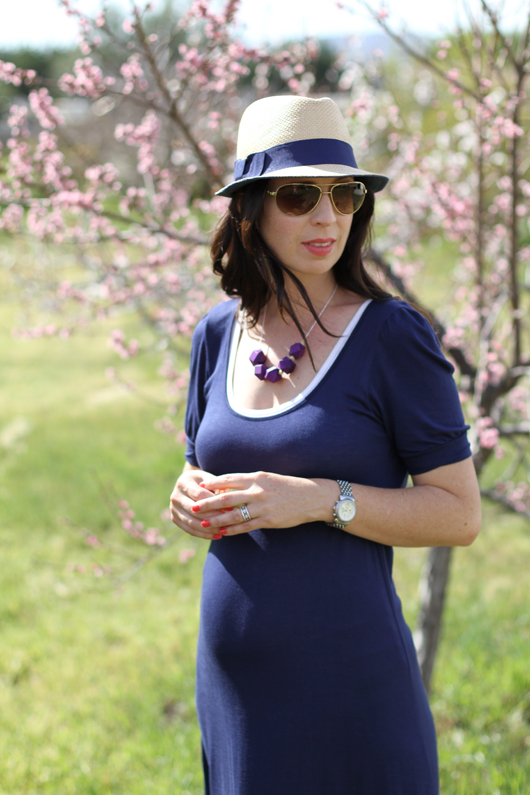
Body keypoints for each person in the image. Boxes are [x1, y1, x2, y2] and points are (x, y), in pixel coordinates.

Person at [170, 95, 481, 795]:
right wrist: (184, 493)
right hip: (237, 689)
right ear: (250, 210)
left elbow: (459, 514)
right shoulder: (217, 332)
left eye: (344, 195)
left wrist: (317, 499)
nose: (327, 217)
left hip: (351, 685)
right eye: (299, 196)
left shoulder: (392, 336)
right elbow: (199, 461)